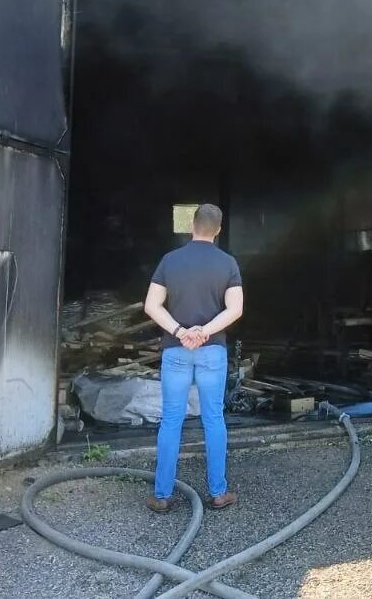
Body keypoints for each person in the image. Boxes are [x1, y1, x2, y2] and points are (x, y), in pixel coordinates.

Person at [142, 204, 244, 513]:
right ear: (218, 230)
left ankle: (162, 496)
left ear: (192, 226)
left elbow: (151, 304)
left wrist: (181, 330)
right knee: (213, 418)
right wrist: (204, 332)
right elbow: (236, 309)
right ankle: (218, 493)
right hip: (212, 350)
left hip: (176, 349)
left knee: (171, 420)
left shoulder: (170, 261)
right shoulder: (228, 263)